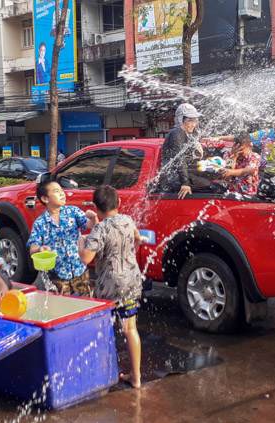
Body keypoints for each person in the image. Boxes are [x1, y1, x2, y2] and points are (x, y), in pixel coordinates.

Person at [78, 186, 143, 389]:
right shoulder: (127, 220)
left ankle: (103, 373)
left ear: (96, 208)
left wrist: (82, 243)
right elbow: (138, 239)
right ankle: (136, 377)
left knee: (104, 328)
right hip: (132, 279)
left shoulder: (100, 229)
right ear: (119, 203)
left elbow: (86, 258)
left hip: (110, 285)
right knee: (130, 328)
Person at [27, 180, 98, 296]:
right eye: (56, 191)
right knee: (62, 307)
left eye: (61, 190)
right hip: (57, 277)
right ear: (45, 199)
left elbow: (89, 225)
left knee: (84, 306)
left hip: (80, 271)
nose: (62, 193)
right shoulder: (40, 223)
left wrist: (93, 219)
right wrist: (40, 249)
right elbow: (32, 248)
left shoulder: (73, 212)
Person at [158, 103, 210, 199]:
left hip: (179, 175)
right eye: (190, 120)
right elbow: (179, 159)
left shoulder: (186, 134)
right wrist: (185, 183)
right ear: (180, 119)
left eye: (195, 120)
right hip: (172, 178)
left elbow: (191, 159)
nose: (193, 124)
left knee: (211, 183)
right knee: (211, 187)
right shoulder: (177, 133)